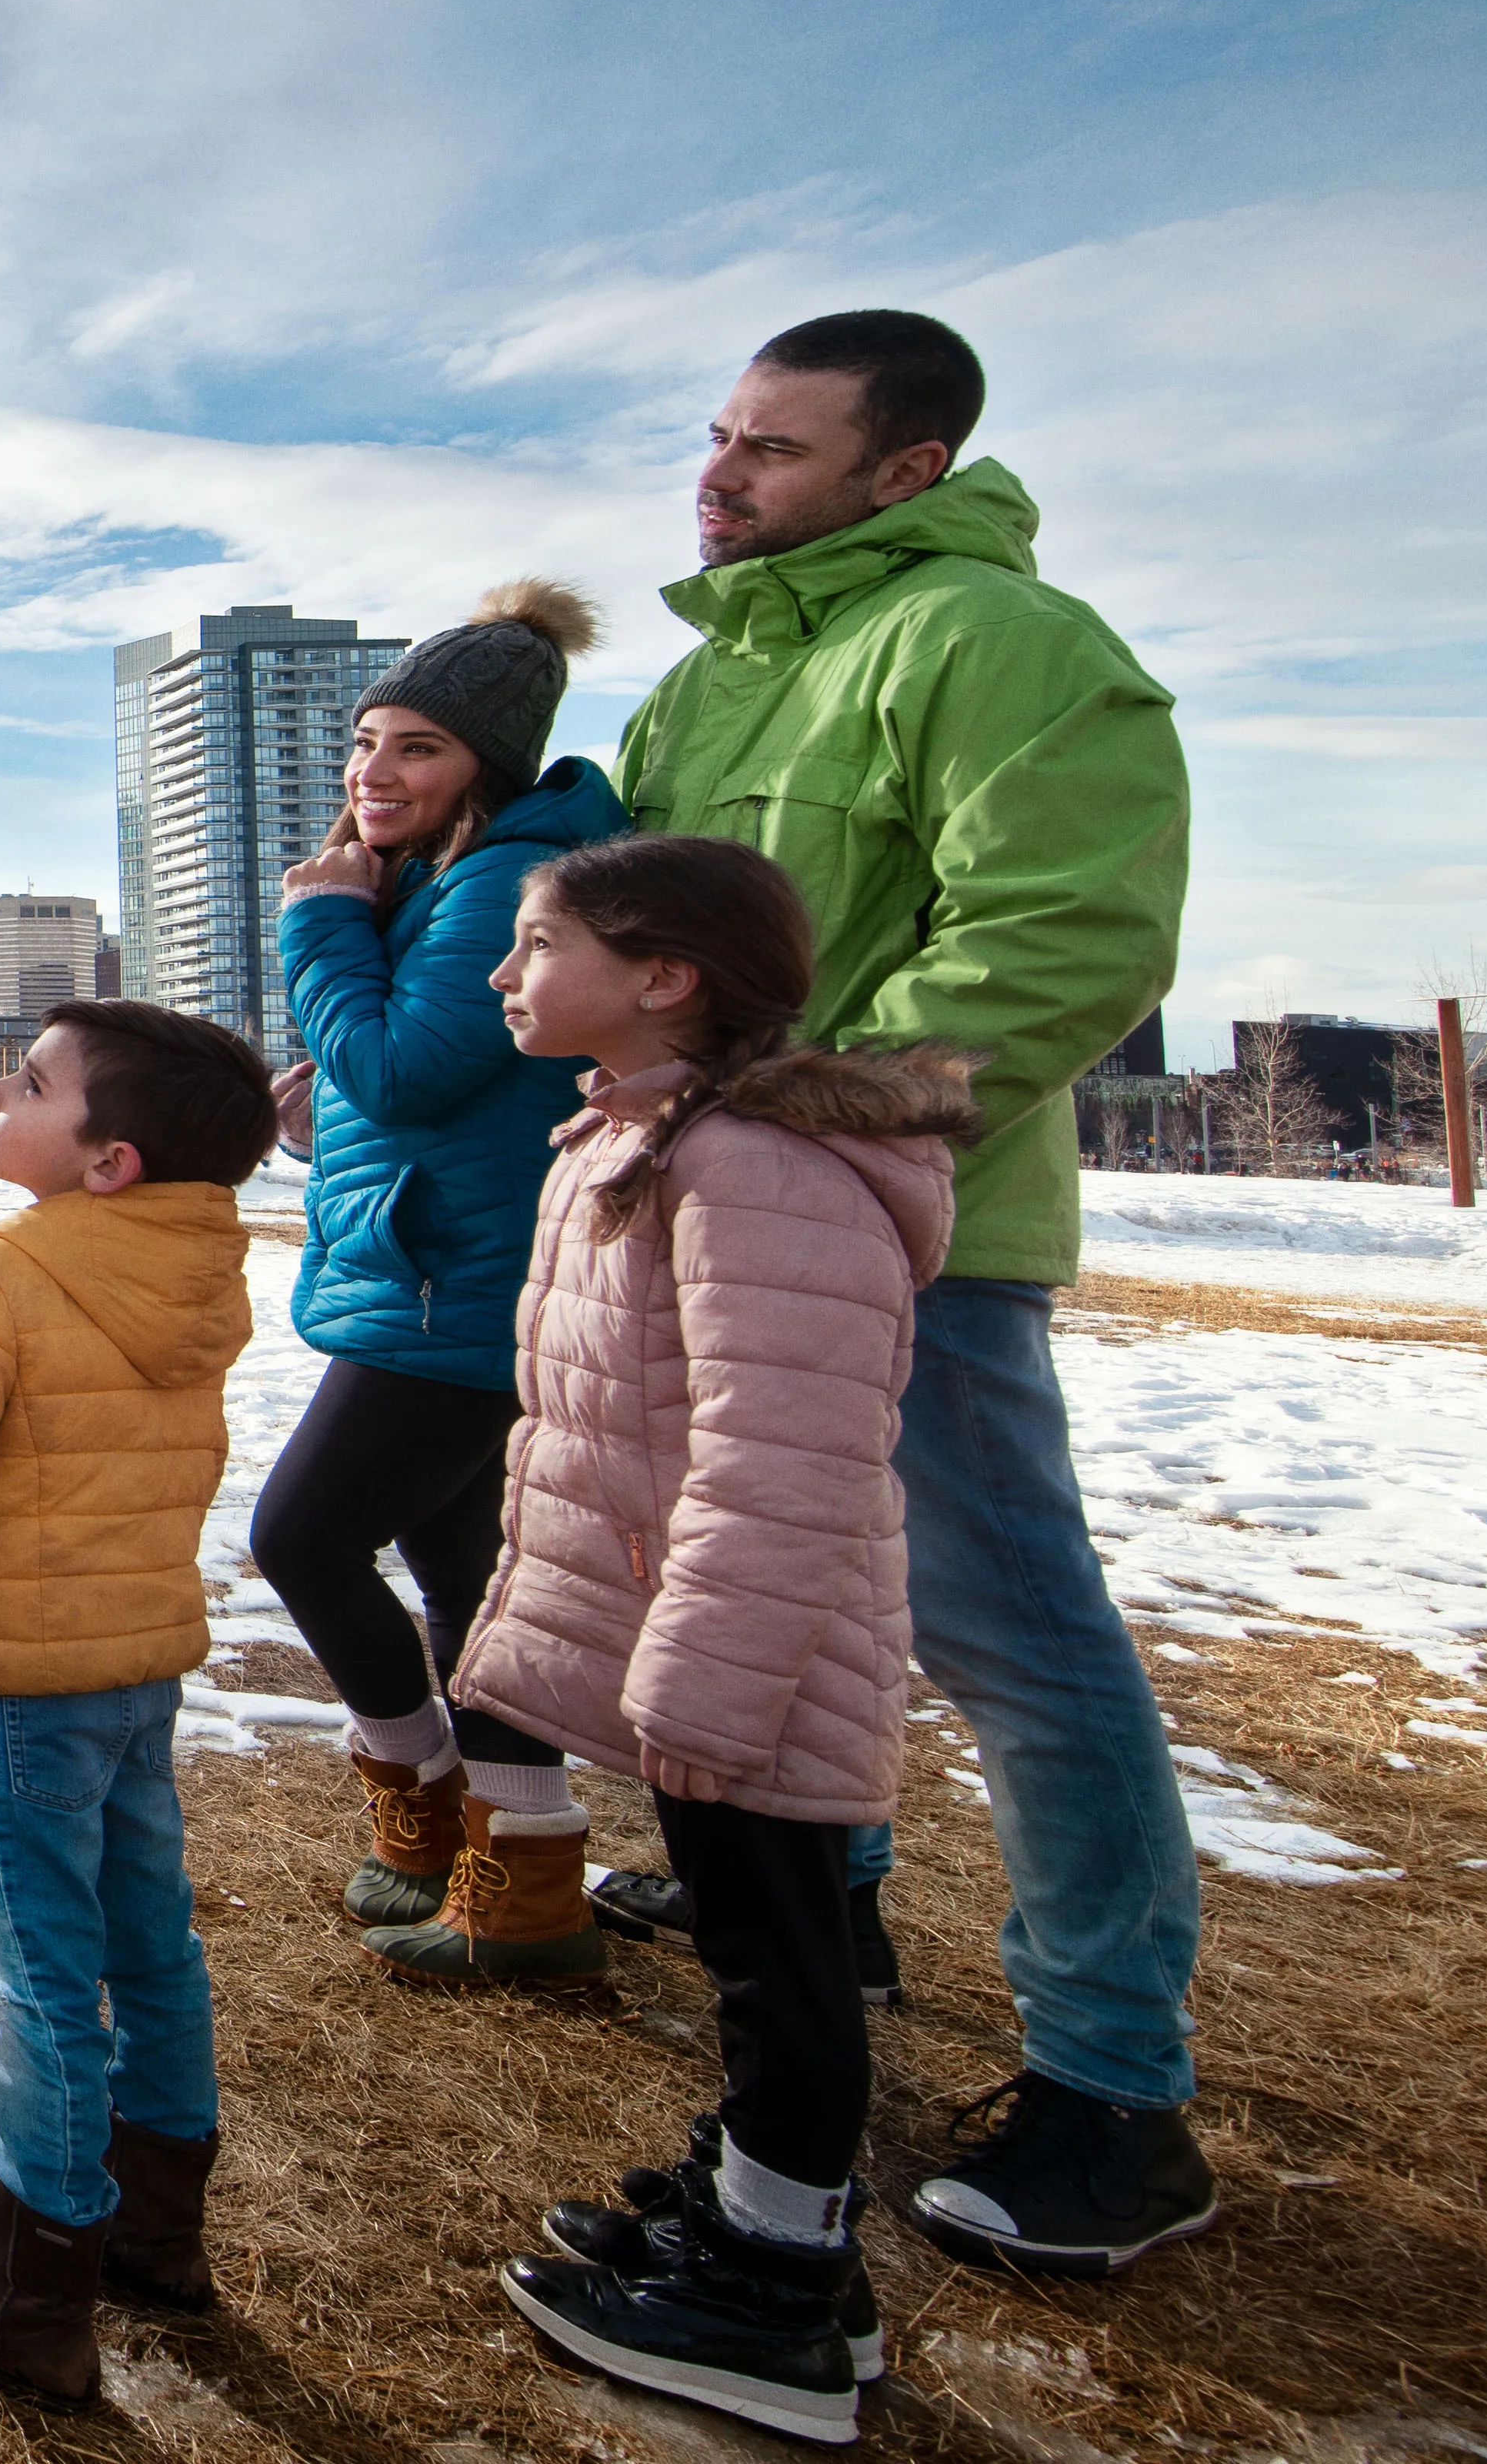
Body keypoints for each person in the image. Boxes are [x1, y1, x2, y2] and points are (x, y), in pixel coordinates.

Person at [611, 309, 1212, 2277]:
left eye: (772, 450)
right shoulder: (700, 689)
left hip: (909, 1233)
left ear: (903, 471)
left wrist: (815, 1117)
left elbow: (1069, 932)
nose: (720, 475)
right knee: (783, 1585)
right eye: (717, 437)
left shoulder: (995, 640)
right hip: (719, 1216)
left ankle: (1117, 2091)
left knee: (1007, 1628)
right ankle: (832, 1897)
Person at [460, 833, 979, 2445]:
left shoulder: (748, 1164)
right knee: (761, 1944)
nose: (504, 970)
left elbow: (784, 1452)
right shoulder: (645, 1134)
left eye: (538, 939)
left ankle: (770, 2283)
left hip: (750, 1637)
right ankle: (773, 2217)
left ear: (663, 972)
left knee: (780, 1956)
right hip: (705, 1622)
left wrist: (707, 1672)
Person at [0, 999, 276, 2404]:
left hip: (25, 1679)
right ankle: (158, 2230)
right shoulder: (193, 1277)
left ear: (110, 1162)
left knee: (40, 1968)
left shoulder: (4, 1280)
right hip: (136, 1659)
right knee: (152, 1942)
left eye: (28, 1082)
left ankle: (25, 2284)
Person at [242, 580, 628, 1986]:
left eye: (416, 748)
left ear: (488, 767)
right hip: (448, 1262)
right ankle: (519, 1877)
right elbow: (422, 1084)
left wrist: (323, 927)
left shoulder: (500, 883)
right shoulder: (475, 873)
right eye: (365, 743)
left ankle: (418, 1807)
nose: (373, 774)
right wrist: (327, 1107)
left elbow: (410, 1065)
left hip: (455, 1285)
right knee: (470, 1576)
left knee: (303, 1536)